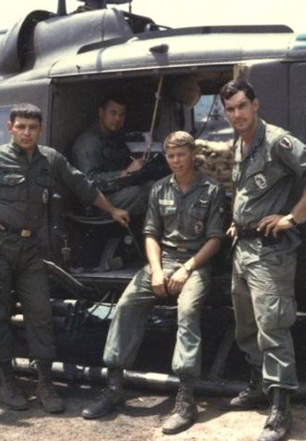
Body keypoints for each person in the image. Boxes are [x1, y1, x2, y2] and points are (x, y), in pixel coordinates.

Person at [0, 103, 130, 413]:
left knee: (40, 314)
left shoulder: (50, 159)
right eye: (21, 127)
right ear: (10, 128)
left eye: (32, 127)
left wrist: (112, 210)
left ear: (40, 129)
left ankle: (45, 383)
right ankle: (7, 381)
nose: (27, 132)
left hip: (31, 250)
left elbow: (81, 184)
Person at [81, 131, 226, 434]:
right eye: (171, 156)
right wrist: (157, 270)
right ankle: (114, 385)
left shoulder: (212, 190)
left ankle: (186, 397)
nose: (175, 161)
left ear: (193, 155)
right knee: (127, 303)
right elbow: (150, 234)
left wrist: (186, 269)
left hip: (195, 265)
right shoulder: (159, 189)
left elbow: (214, 239)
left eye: (181, 155)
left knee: (188, 312)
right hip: (163, 262)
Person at [219, 80, 306, 441]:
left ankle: (280, 410)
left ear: (255, 105)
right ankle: (257, 385)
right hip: (244, 248)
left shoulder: (277, 141)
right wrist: (239, 223)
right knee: (246, 325)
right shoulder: (240, 144)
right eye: (230, 110)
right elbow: (249, 190)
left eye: (241, 106)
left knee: (273, 327)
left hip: (270, 252)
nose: (237, 114)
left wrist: (292, 217)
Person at [71, 94, 153, 216]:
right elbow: (89, 182)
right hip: (97, 203)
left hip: (114, 193)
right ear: (101, 112)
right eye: (113, 113)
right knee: (148, 191)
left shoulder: (114, 137)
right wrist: (124, 173)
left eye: (121, 115)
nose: (117, 119)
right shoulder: (88, 143)